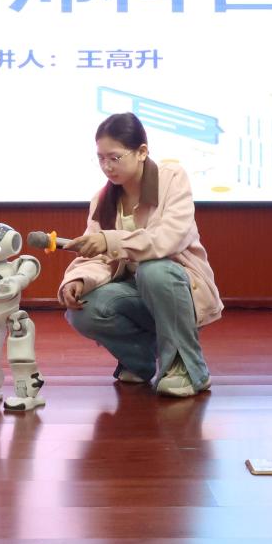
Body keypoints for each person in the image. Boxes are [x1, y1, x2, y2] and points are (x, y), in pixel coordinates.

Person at [58, 112, 222, 397]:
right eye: (101, 158)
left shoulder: (172, 178)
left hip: (176, 287)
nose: (107, 166)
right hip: (135, 290)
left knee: (153, 270)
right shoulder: (102, 199)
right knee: (83, 311)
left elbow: (169, 238)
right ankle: (141, 360)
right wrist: (79, 279)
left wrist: (110, 240)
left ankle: (188, 368)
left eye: (115, 157)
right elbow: (98, 257)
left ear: (142, 152)